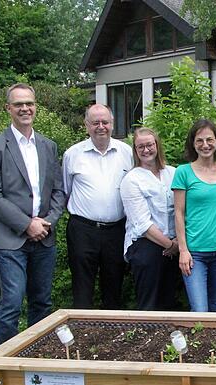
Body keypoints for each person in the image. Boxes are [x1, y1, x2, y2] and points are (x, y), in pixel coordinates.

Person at [0, 83, 66, 346]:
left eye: (29, 103)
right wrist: (27, 224)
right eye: (18, 104)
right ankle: (2, 364)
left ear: (36, 107)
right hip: (9, 238)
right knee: (12, 302)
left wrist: (47, 222)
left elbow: (59, 192)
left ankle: (36, 357)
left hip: (44, 237)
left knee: (42, 301)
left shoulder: (48, 146)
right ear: (8, 109)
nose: (25, 108)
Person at [63, 104, 133, 309]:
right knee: (82, 286)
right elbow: (66, 191)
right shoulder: (72, 154)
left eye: (105, 122)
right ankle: (82, 332)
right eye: (95, 123)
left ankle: (110, 335)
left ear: (112, 124)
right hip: (82, 230)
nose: (100, 126)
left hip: (116, 230)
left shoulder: (127, 152)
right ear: (86, 126)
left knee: (114, 286)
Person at [172, 119, 216, 312]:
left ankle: (210, 343)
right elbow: (178, 212)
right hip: (194, 253)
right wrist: (183, 250)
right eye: (199, 140)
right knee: (200, 309)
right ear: (193, 143)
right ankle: (194, 342)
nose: (205, 145)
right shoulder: (183, 172)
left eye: (210, 139)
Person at [119, 127, 180, 310]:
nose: (146, 150)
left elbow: (183, 210)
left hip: (174, 243)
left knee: (169, 302)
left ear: (157, 145)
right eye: (140, 147)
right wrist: (171, 246)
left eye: (150, 145)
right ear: (135, 151)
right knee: (149, 305)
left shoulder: (173, 172)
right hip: (146, 245)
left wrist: (177, 241)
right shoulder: (132, 179)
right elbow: (142, 225)